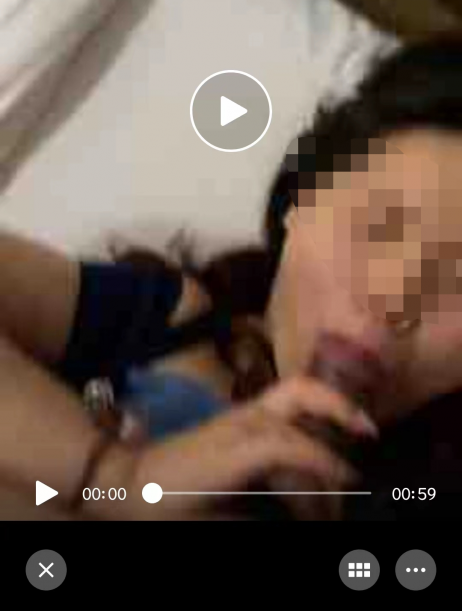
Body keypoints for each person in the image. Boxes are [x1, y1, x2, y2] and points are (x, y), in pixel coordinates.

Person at [2, 33, 462, 520]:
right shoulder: (157, 319)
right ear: (301, 198)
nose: (392, 300)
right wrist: (119, 479)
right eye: (377, 226)